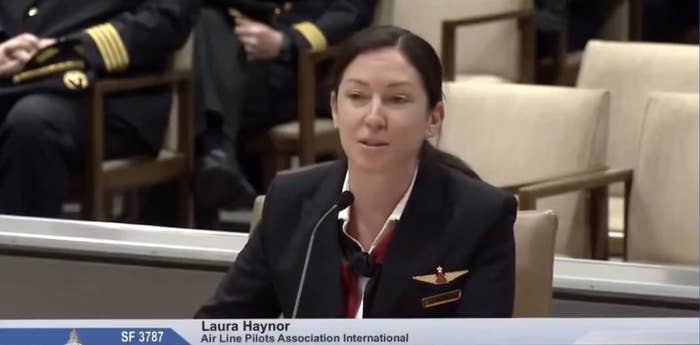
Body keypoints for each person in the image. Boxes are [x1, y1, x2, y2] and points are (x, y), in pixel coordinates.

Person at [195, 26, 517, 318]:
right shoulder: (290, 202)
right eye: (357, 97)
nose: (374, 117)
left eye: (397, 99)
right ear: (335, 109)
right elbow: (218, 327)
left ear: (433, 118)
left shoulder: (479, 217)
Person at [0, 1, 198, 218]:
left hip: (108, 96)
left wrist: (66, 50)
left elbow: (166, 20)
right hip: (12, 83)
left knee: (31, 123)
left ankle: (21, 250)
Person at [192, 0, 377, 227]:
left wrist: (286, 41)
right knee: (206, 20)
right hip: (245, 59)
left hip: (303, 71)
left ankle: (217, 157)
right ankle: (217, 165)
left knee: (198, 101)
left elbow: (349, 15)